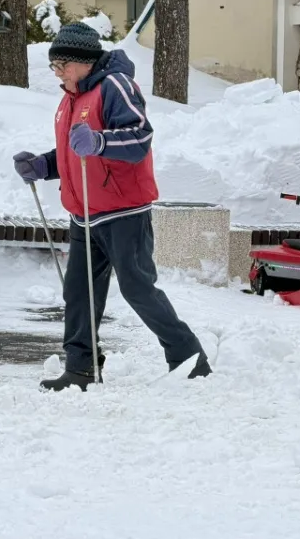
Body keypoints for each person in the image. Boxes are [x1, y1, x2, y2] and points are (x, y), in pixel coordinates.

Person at [12, 22, 211, 391]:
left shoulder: (116, 86)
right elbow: (78, 151)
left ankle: (189, 358)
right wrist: (44, 164)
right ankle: (81, 368)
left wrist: (99, 142)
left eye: (62, 66)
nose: (57, 74)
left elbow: (139, 138)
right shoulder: (72, 97)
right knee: (78, 293)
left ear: (84, 62)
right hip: (83, 213)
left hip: (123, 212)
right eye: (54, 66)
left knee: (138, 289)